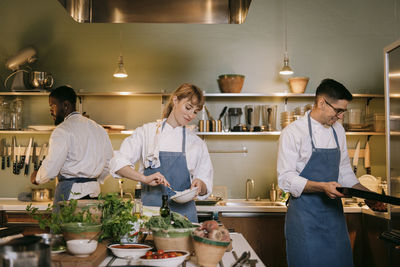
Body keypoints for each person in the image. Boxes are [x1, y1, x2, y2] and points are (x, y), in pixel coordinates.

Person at [277, 79, 384, 267]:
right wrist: (322, 186)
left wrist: (367, 195)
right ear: (321, 103)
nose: (341, 116)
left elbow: (344, 172)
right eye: (338, 110)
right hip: (305, 219)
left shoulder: (338, 130)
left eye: (343, 111)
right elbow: (286, 178)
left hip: (333, 218)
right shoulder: (293, 132)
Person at [109, 83, 213, 222]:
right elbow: (118, 163)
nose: (191, 115)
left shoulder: (197, 143)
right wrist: (144, 178)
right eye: (188, 107)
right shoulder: (147, 133)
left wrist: (200, 184)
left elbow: (206, 182)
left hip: (184, 219)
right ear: (175, 101)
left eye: (195, 111)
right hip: (151, 216)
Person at [31, 86, 113, 210]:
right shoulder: (99, 129)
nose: (51, 111)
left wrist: (37, 178)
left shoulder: (62, 130)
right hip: (94, 193)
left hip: (70, 195)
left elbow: (52, 167)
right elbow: (109, 163)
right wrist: (94, 180)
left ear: (65, 105)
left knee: (65, 229)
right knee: (90, 228)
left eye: (53, 106)